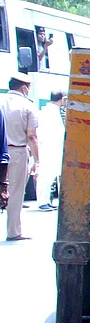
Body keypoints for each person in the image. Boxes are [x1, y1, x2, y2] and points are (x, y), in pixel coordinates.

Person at [2, 74, 38, 241]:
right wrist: (37, 160)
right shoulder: (27, 105)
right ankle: (13, 231)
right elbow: (32, 136)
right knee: (15, 193)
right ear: (24, 88)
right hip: (17, 152)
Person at [35, 91, 65, 210]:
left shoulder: (52, 111)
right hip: (48, 148)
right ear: (62, 99)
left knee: (50, 175)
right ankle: (43, 201)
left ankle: (46, 200)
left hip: (53, 148)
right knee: (45, 175)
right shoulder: (49, 112)